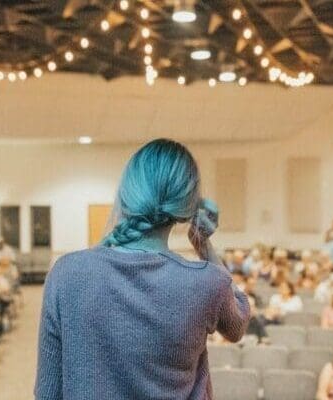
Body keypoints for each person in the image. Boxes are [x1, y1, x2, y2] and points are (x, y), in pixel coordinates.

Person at [35, 139, 250, 400]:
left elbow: (47, 393)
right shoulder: (207, 282)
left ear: (126, 194)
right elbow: (238, 325)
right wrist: (203, 243)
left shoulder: (66, 273)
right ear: (187, 206)